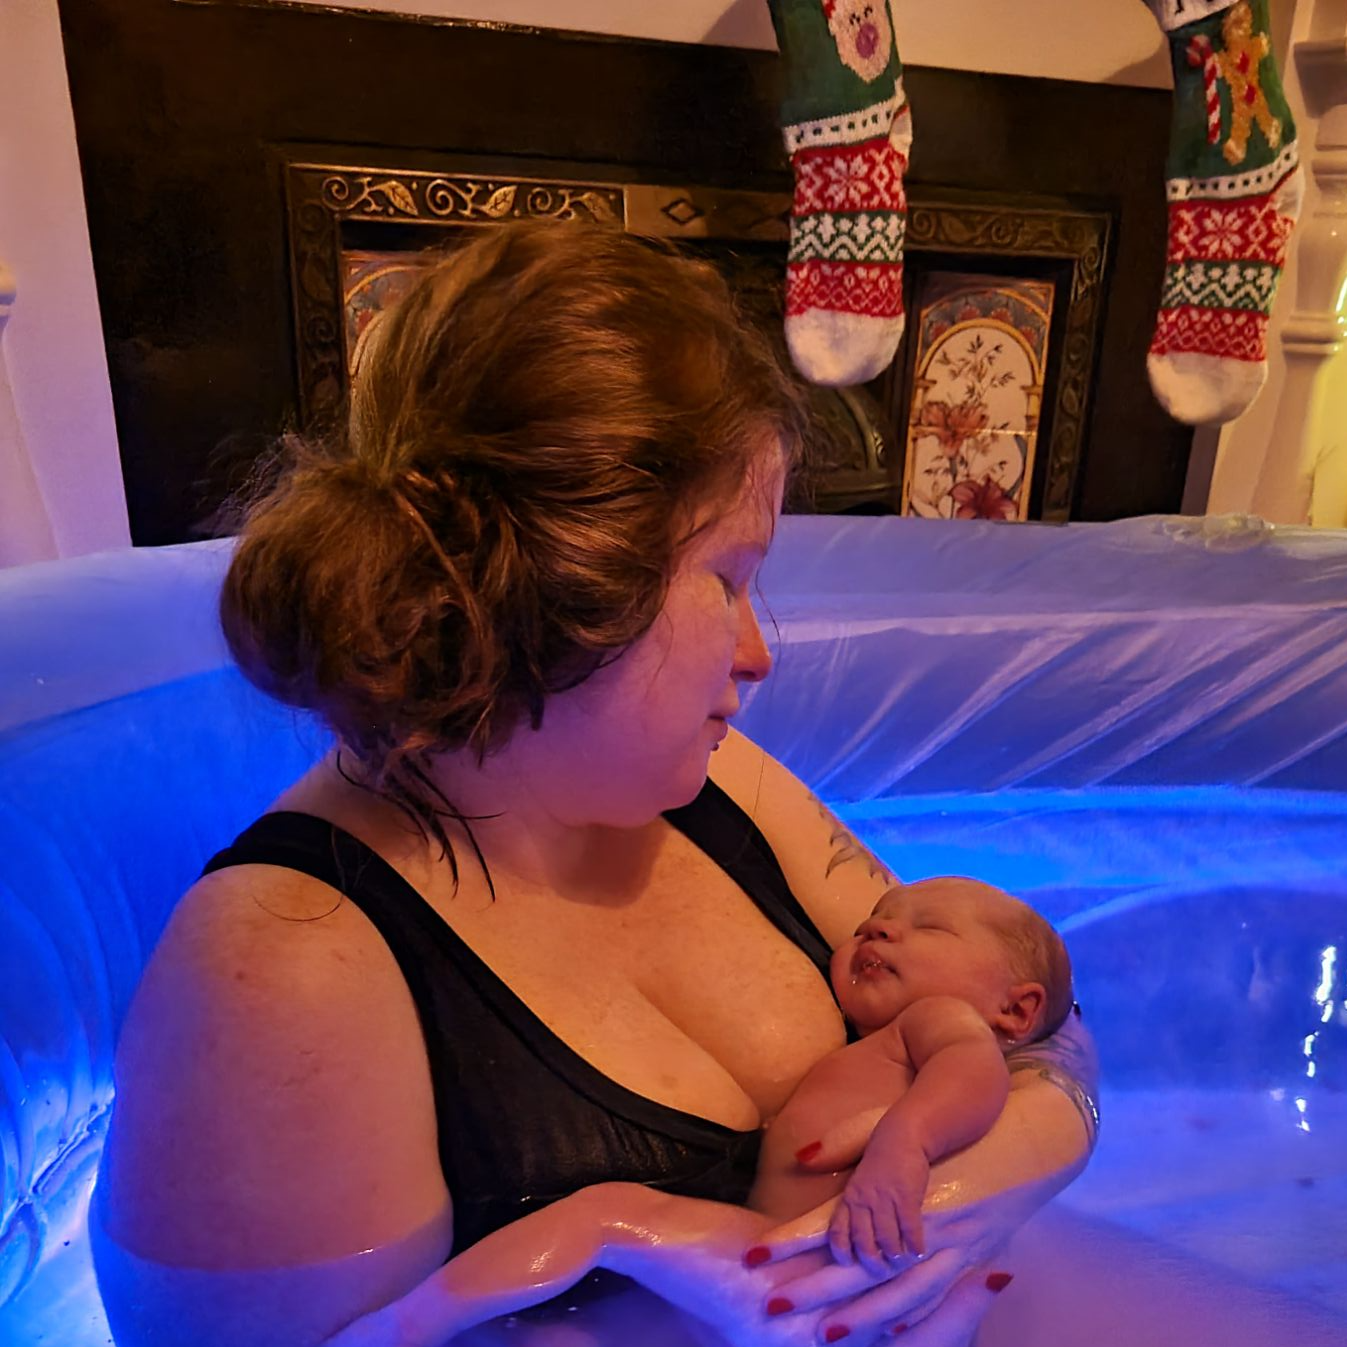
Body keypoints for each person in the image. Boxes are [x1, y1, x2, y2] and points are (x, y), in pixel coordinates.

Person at [92, 222, 1098, 1347]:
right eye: (728, 576)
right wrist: (639, 1243)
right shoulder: (284, 970)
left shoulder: (724, 788)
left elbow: (1014, 1005)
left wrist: (965, 1193)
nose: (758, 651)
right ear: (576, 587)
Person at [321, 877, 1076, 1347]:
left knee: (606, 1217)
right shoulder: (879, 1042)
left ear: (1016, 1007)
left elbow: (968, 1075)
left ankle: (408, 1326)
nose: (878, 927)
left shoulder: (942, 1022)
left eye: (928, 926)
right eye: (874, 919)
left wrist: (903, 1145)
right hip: (828, 1283)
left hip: (791, 1257)